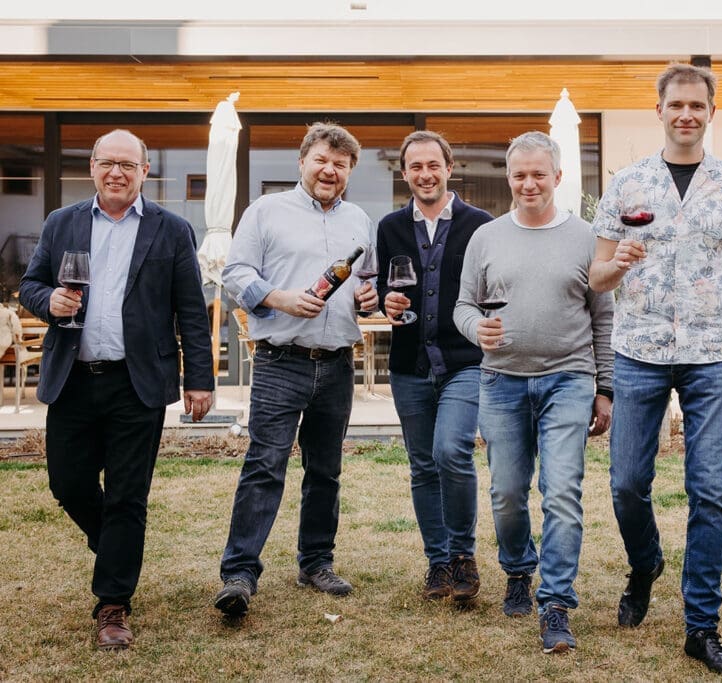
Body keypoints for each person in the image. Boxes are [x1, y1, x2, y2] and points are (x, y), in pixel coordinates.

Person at [589, 63, 722, 676]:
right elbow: (596, 277)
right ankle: (645, 564)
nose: (687, 115)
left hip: (714, 356)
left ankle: (702, 626)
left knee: (708, 492)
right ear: (661, 110)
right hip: (638, 353)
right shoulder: (627, 184)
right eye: (676, 105)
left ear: (711, 112)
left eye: (698, 105)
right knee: (625, 484)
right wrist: (619, 262)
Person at [19, 129, 214, 650]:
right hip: (73, 382)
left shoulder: (171, 230)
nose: (118, 173)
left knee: (128, 496)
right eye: (109, 163)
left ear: (145, 172)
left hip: (137, 383)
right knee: (68, 484)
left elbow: (192, 311)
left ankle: (112, 603)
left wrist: (199, 378)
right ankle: (116, 551)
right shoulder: (63, 223)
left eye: (129, 165)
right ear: (93, 167)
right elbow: (30, 284)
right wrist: (49, 302)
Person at [454, 131, 613, 654]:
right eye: (519, 174)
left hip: (569, 379)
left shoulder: (588, 238)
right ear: (509, 178)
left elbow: (604, 318)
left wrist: (604, 388)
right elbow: (463, 307)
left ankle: (556, 602)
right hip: (500, 382)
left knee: (562, 492)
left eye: (538, 174)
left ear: (558, 177)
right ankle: (519, 569)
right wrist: (476, 329)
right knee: (506, 492)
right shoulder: (486, 238)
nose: (528, 183)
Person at [214, 122, 378, 617]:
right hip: (280, 361)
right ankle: (240, 572)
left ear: (349, 171)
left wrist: (367, 299)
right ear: (303, 160)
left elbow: (364, 285)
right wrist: (281, 298)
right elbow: (236, 274)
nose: (330, 170)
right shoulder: (265, 211)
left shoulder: (359, 220)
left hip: (337, 363)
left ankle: (315, 562)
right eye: (322, 160)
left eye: (341, 164)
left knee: (325, 470)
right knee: (265, 467)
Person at [377, 131, 493, 603]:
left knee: (452, 452)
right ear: (404, 173)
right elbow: (384, 292)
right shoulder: (389, 227)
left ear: (449, 167)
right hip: (408, 363)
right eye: (415, 167)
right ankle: (438, 563)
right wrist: (387, 302)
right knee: (422, 466)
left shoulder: (480, 224)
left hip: (465, 362)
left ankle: (464, 553)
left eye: (433, 165)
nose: (425, 174)